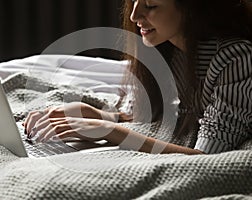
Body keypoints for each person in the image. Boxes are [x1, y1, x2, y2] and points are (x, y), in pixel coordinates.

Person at [23, 0, 252, 154]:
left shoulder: (237, 58)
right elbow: (166, 114)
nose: (134, 15)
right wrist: (98, 115)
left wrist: (107, 130)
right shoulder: (170, 49)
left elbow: (205, 157)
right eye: (132, 0)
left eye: (150, 4)